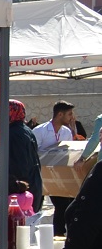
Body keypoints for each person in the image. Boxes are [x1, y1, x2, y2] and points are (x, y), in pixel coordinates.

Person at [35, 100, 79, 234]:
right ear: (60, 114)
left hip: (59, 176)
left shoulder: (67, 132)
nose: (71, 117)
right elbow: (34, 153)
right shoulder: (40, 131)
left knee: (64, 205)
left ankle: (61, 234)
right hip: (42, 176)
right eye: (69, 114)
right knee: (38, 207)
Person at [8, 100, 43, 211]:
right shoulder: (25, 130)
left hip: (21, 190)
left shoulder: (13, 133)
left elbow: (19, 164)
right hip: (32, 184)